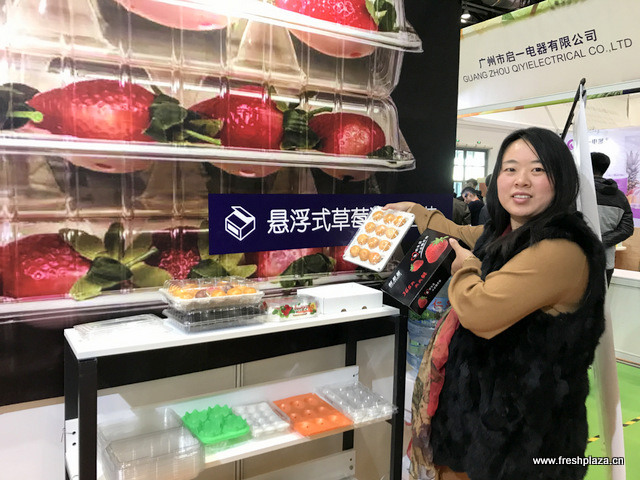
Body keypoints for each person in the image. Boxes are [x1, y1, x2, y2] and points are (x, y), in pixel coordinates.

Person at [385, 127, 606, 480]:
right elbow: (464, 234)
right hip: (481, 428)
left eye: (537, 169)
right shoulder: (509, 233)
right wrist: (416, 212)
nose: (521, 180)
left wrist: (465, 267)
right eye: (510, 168)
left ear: (561, 179)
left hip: (522, 443)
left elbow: (479, 310)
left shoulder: (560, 248)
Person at [591, 152, 634, 285]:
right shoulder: (620, 197)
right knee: (600, 297)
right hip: (605, 261)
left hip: (575, 259)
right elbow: (627, 229)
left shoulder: (575, 193)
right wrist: (601, 241)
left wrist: (589, 242)